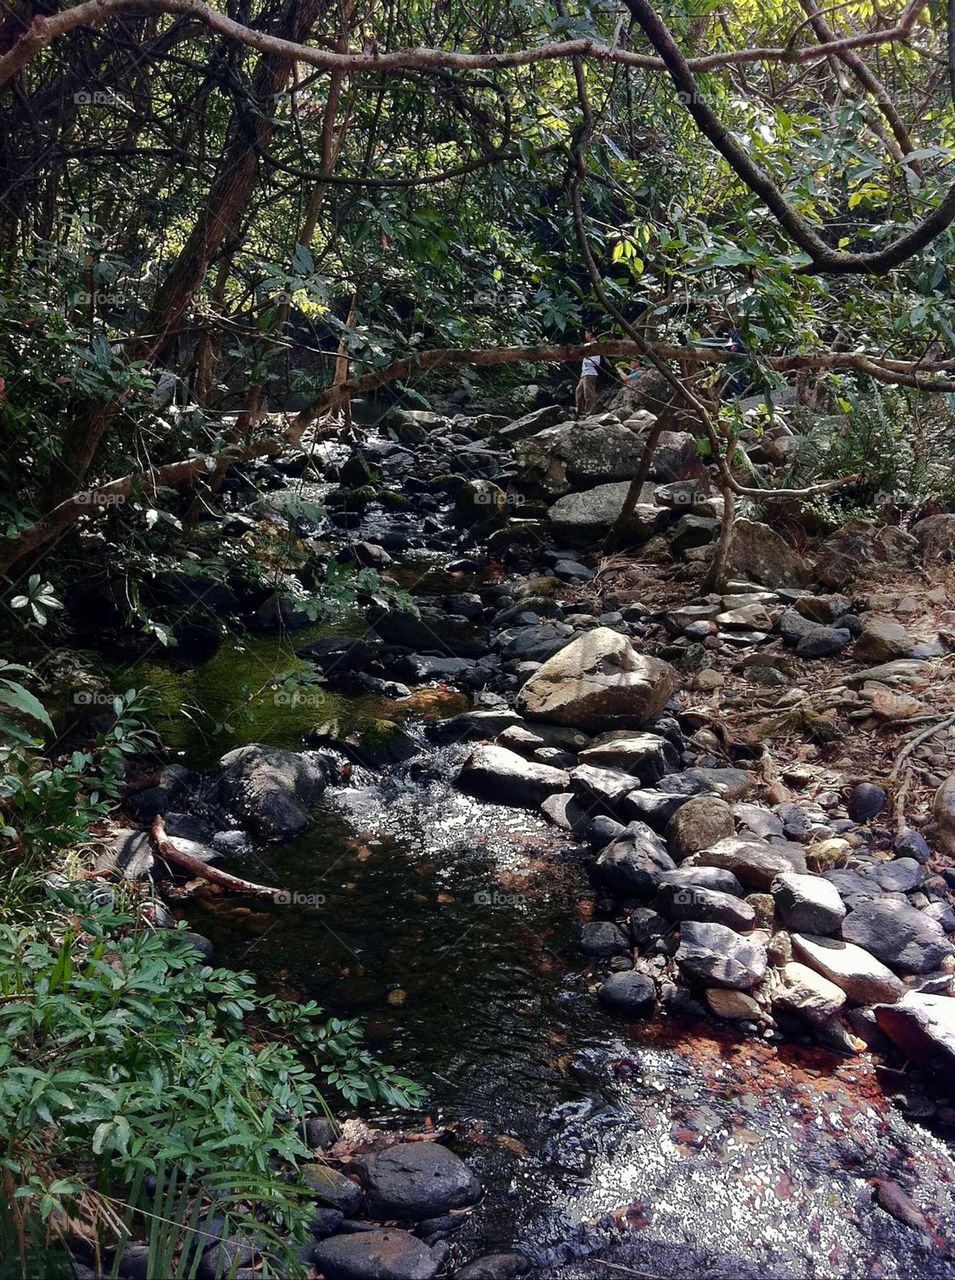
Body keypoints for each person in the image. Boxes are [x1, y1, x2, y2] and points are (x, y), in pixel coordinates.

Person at [575, 330, 600, 417]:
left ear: (589, 334)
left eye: (586, 333)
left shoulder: (595, 346)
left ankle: (590, 413)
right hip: (584, 374)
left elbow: (596, 362)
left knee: (588, 393)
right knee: (579, 391)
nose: (585, 335)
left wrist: (587, 360)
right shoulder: (588, 346)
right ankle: (580, 411)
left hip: (590, 373)